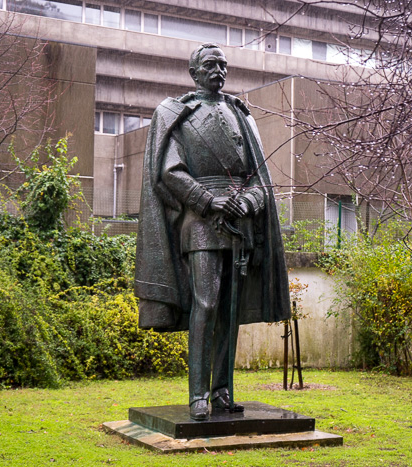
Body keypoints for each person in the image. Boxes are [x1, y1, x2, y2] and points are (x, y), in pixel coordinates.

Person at [134, 43, 291, 420]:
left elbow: (258, 178)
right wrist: (207, 201)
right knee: (205, 303)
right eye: (210, 64)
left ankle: (222, 390)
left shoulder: (241, 115)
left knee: (229, 311)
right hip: (201, 223)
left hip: (239, 223)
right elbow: (169, 172)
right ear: (194, 72)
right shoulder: (176, 114)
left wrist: (249, 203)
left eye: (223, 64)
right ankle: (198, 394)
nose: (219, 70)